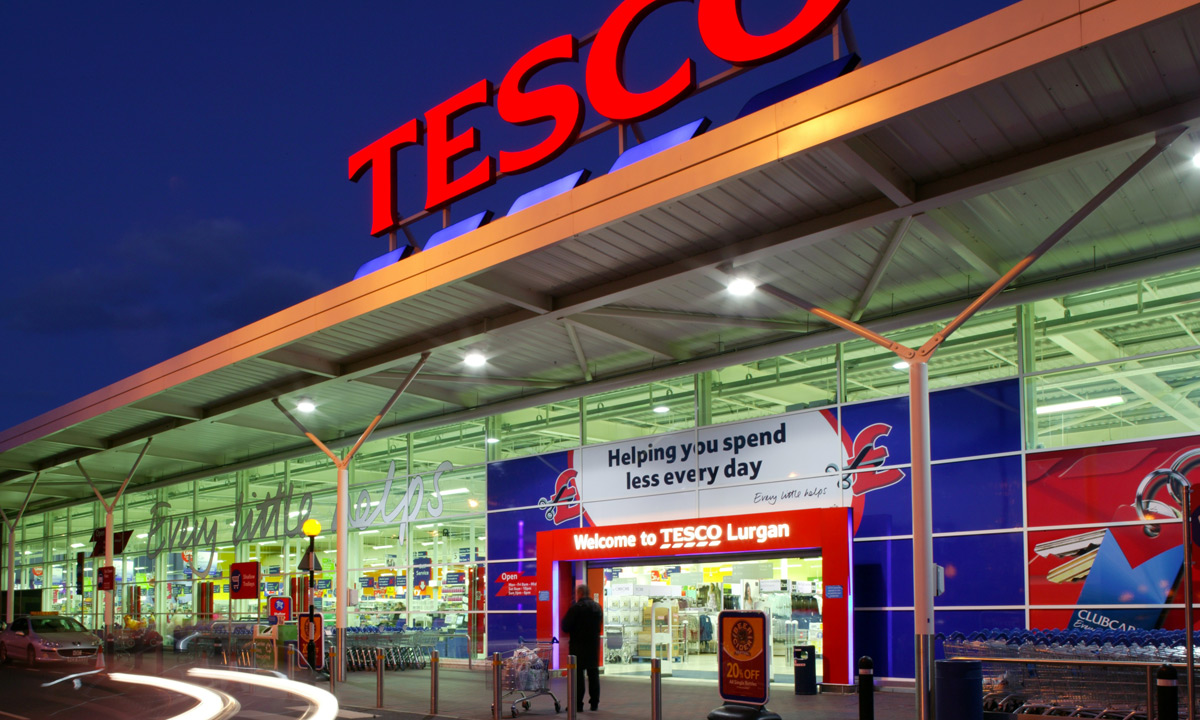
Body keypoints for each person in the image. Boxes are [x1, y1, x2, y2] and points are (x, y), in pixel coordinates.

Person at [561, 584, 603, 712]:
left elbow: (565, 626)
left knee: (578, 677)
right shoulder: (597, 608)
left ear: (579, 593)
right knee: (593, 674)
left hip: (577, 647)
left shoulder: (575, 608)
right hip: (593, 646)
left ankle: (578, 704)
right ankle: (594, 703)